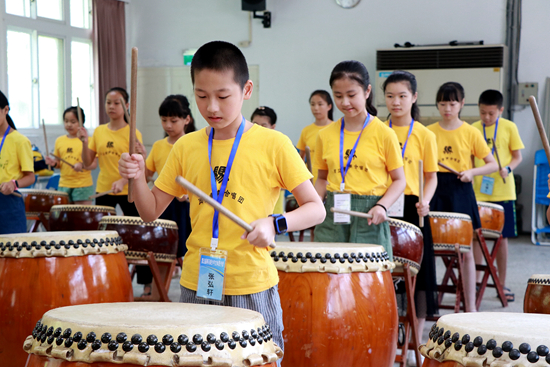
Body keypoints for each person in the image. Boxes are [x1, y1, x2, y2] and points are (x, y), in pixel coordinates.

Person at [118, 40, 325, 359]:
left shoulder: (274, 145)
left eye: (223, 96)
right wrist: (136, 178)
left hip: (250, 281)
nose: (211, 107)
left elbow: (315, 208)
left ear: (246, 90)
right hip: (197, 281)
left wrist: (274, 223)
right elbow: (149, 211)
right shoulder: (185, 147)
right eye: (201, 96)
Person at [313, 60, 406, 257]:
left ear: (367, 91)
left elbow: (399, 180)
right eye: (338, 96)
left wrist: (382, 206)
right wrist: (313, 203)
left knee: (367, 281)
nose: (345, 102)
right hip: (333, 209)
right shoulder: (325, 135)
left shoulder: (384, 133)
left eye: (351, 95)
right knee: (328, 276)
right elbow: (321, 178)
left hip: (370, 214)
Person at [427, 82, 498, 312]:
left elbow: (492, 164)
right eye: (442, 103)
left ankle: (470, 307)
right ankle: (430, 304)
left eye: (452, 102)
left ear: (462, 103)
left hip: (461, 190)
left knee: (465, 250)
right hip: (435, 188)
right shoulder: (429, 132)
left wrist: (471, 172)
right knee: (433, 248)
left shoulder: (470, 132)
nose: (447, 108)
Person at [383, 70, 439, 341]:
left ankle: (416, 335)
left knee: (419, 272)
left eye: (402, 96)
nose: (396, 102)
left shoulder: (425, 135)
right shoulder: (378, 131)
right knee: (385, 270)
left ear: (414, 97)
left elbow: (431, 177)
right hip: (383, 206)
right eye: (390, 96)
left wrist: (425, 201)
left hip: (413, 208)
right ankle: (387, 330)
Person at [139, 94, 195, 295]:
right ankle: (157, 294)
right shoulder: (159, 146)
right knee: (163, 251)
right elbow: (147, 176)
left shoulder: (193, 143)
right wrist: (140, 161)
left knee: (188, 250)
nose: (168, 125)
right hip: (164, 204)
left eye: (174, 120)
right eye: (164, 120)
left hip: (187, 207)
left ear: (186, 119)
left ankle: (191, 294)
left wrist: (188, 194)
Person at [472, 89, 524, 302]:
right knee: (476, 237)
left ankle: (501, 283)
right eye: (483, 112)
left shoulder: (509, 127)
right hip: (478, 192)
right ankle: (476, 281)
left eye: (491, 113)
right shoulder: (473, 129)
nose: (486, 117)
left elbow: (517, 157)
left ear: (500, 110)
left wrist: (508, 169)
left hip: (503, 191)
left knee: (502, 240)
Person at [78, 87, 143, 215]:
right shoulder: (99, 131)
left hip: (128, 189)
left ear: (127, 105)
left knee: (132, 230)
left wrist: (122, 181)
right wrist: (84, 142)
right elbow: (86, 163)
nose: (111, 106)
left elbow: (137, 165)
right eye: (108, 103)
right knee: (103, 230)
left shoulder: (133, 132)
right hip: (104, 188)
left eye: (116, 103)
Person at [45, 107, 97, 204]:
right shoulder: (59, 141)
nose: (69, 124)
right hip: (63, 184)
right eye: (66, 121)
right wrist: (53, 163)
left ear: (81, 122)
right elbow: (59, 164)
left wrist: (82, 165)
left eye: (73, 122)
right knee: (64, 217)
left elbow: (94, 165)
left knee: (81, 217)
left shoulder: (89, 140)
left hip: (83, 185)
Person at [0, 91, 35, 234]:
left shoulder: (20, 141)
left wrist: (13, 184)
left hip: (9, 203)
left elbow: (30, 177)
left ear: (6, 110)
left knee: (12, 252)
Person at [297, 90, 333, 184]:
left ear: (329, 106)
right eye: (313, 104)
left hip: (331, 181)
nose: (316, 108)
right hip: (310, 180)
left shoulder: (337, 129)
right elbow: (300, 158)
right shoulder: (306, 130)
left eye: (320, 104)